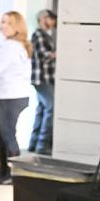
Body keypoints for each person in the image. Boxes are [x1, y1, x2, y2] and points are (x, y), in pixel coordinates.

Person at [0, 11, 32, 185]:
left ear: (17, 27)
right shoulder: (12, 45)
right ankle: (4, 171)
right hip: (11, 96)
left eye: (8, 23)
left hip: (11, 96)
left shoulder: (11, 46)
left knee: (7, 135)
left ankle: (13, 175)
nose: (2, 25)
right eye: (2, 21)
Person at [28, 9, 57, 155]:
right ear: (43, 18)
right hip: (42, 79)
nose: (52, 22)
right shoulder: (38, 34)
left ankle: (34, 144)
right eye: (50, 19)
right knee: (51, 108)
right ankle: (42, 146)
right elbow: (43, 56)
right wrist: (59, 53)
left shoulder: (46, 35)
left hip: (46, 78)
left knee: (42, 109)